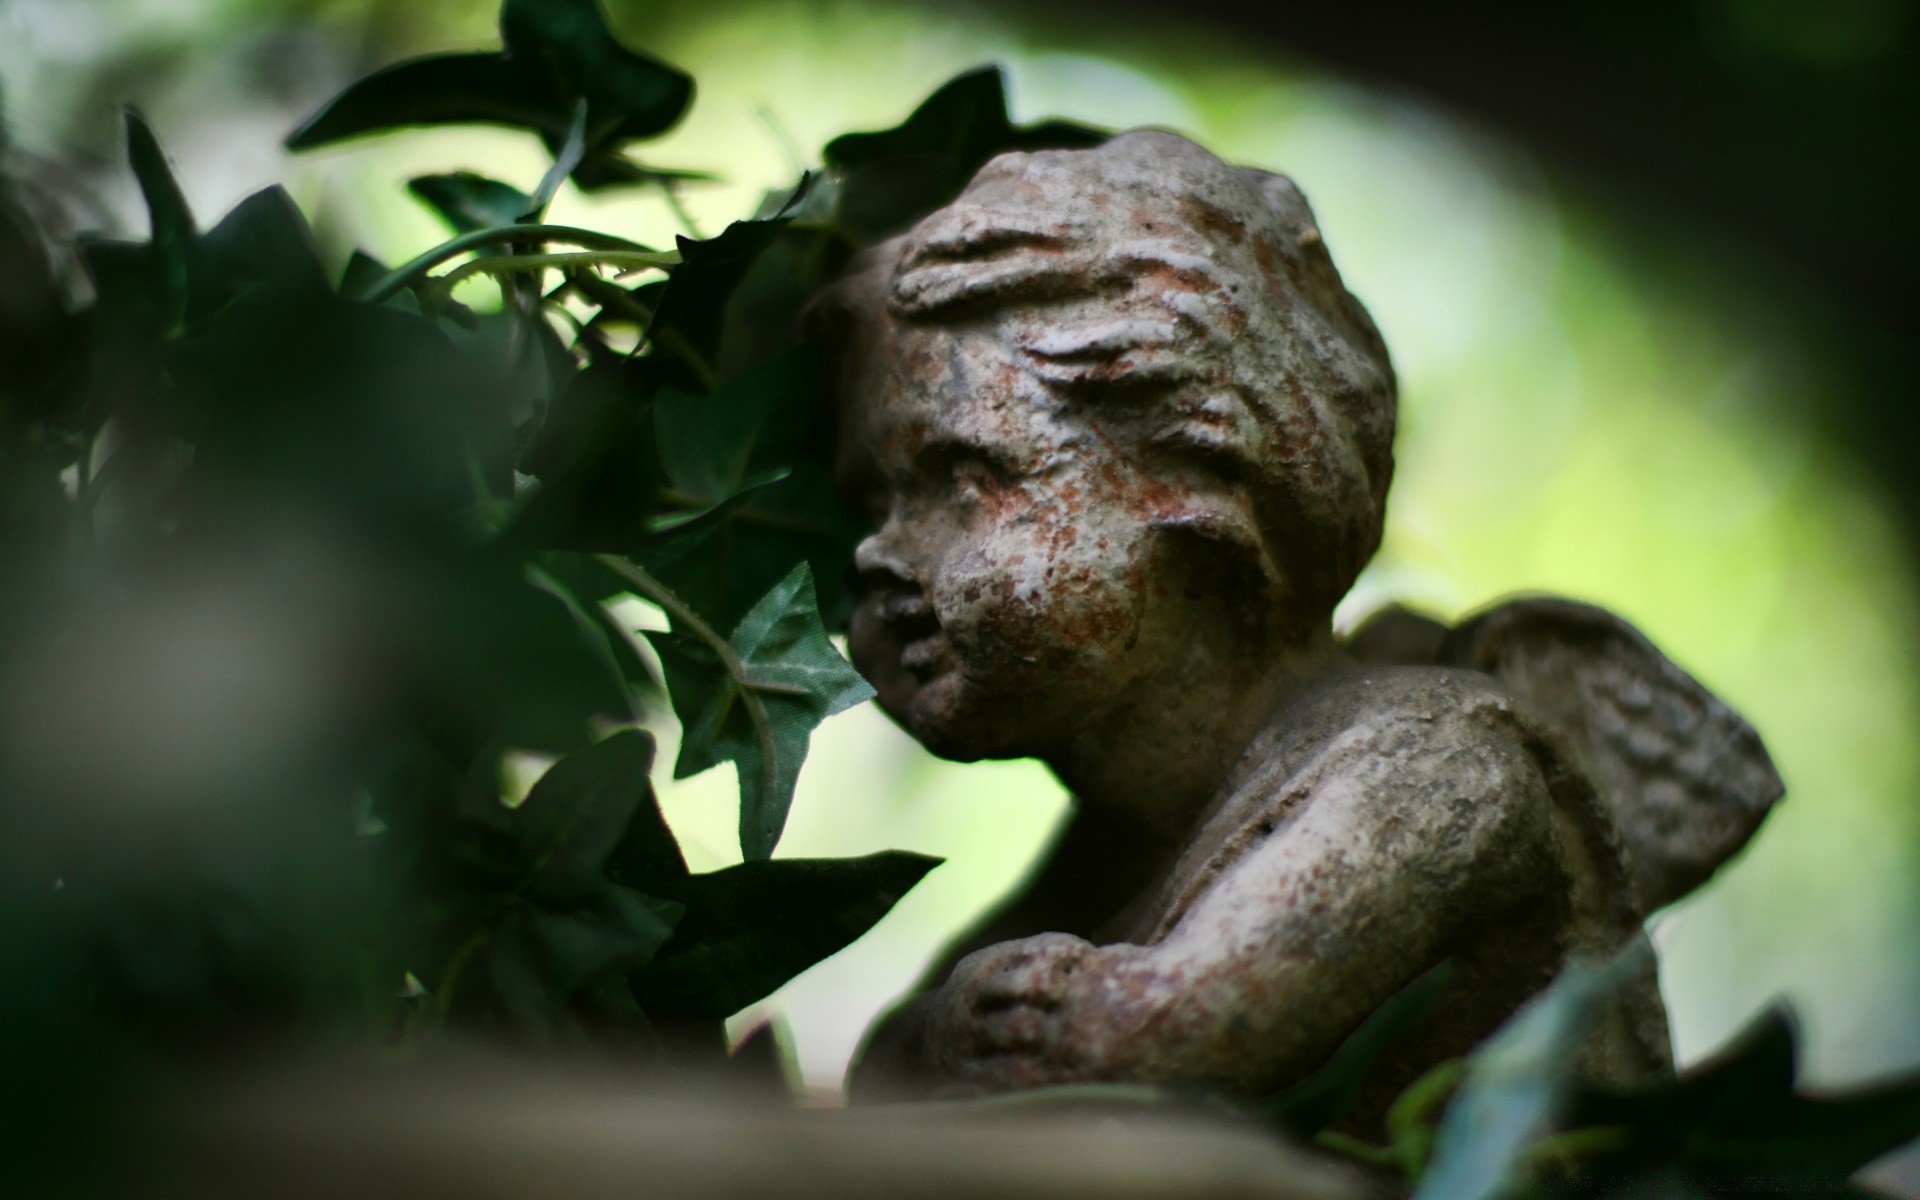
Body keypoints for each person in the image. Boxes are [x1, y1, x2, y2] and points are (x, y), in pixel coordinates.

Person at [813, 131, 1780, 1123]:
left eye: (964, 479)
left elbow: (1175, 1034)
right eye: (875, 501)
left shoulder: (1431, 766)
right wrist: (942, 1032)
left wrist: (1014, 1027)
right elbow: (887, 1070)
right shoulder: (1119, 842)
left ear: (1206, 471)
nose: (878, 553)